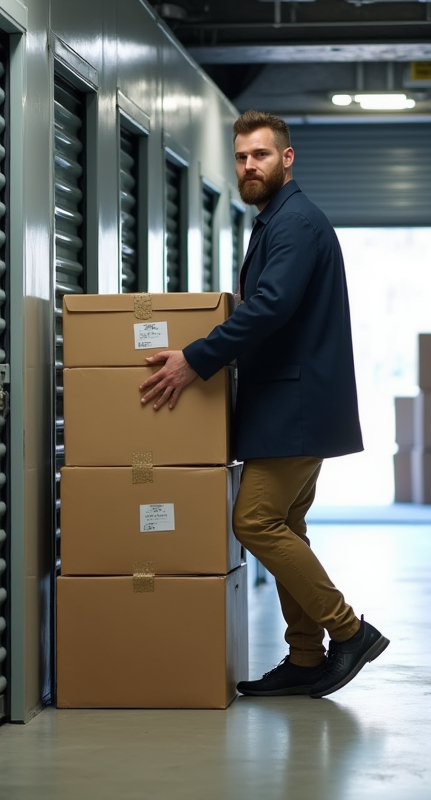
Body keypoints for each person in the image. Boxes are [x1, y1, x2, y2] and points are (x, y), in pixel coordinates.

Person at [138, 110, 389, 699]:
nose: (250, 166)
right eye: (243, 158)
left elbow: (271, 305)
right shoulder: (277, 221)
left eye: (262, 155)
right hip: (288, 406)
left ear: (287, 157)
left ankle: (348, 631)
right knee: (286, 526)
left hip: (294, 408)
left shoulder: (295, 222)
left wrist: (195, 357)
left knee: (254, 521)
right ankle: (305, 656)